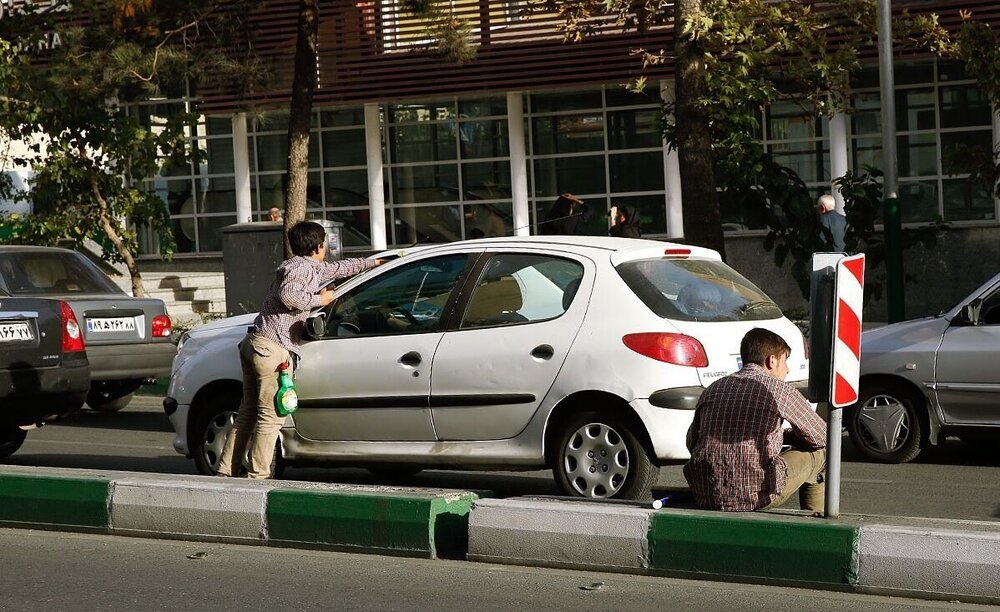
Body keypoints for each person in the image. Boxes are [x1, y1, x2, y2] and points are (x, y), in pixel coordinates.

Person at [216, 221, 385, 478]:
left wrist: (374, 263)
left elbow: (340, 268)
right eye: (325, 243)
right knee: (271, 418)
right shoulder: (302, 270)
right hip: (273, 348)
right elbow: (289, 296)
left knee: (248, 413)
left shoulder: (303, 266)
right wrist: (322, 300)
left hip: (255, 344)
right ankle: (257, 477)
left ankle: (226, 470)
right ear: (318, 246)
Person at [684, 327, 827, 513]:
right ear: (772, 360)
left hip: (705, 491)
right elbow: (821, 437)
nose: (787, 370)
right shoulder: (778, 389)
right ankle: (816, 527)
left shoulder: (713, 388)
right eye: (785, 361)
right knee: (822, 454)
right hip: (757, 493)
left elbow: (692, 442)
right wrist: (797, 438)